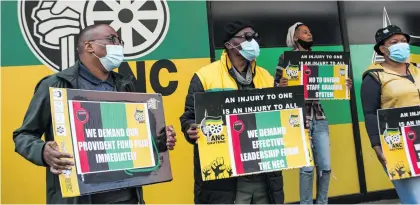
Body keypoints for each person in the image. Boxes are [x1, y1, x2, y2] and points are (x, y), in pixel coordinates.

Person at [13, 24, 177, 204]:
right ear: (89, 46)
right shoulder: (56, 85)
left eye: (120, 41)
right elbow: (23, 136)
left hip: (126, 197)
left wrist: (159, 139)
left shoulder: (125, 85)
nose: (119, 46)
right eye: (112, 39)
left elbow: (134, 137)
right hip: (81, 198)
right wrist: (43, 151)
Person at [179, 20, 284, 204]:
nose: (253, 42)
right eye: (247, 37)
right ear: (229, 44)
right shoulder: (205, 77)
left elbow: (280, 116)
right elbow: (189, 118)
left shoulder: (266, 77)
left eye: (255, 36)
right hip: (227, 183)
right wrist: (190, 129)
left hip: (264, 176)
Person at [276, 22, 352, 204]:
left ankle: (322, 202)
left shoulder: (319, 58)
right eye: (304, 32)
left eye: (310, 31)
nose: (309, 34)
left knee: (325, 167)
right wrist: (281, 86)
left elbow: (332, 83)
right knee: (307, 168)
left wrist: (343, 85)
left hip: (319, 116)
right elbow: (276, 88)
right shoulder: (286, 58)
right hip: (298, 119)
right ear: (295, 37)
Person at [361, 25, 420, 204]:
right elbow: (370, 113)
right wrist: (377, 147)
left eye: (403, 41)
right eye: (394, 42)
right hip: (398, 143)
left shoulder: (417, 69)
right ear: (383, 49)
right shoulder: (374, 75)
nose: (401, 45)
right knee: (415, 196)